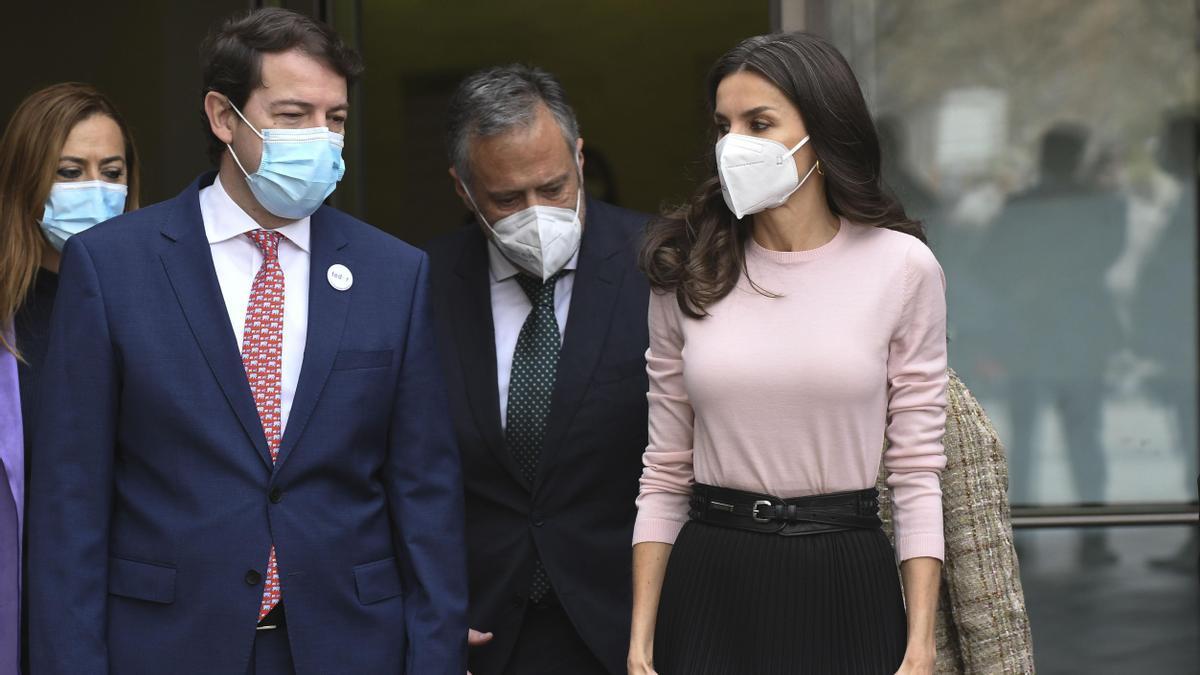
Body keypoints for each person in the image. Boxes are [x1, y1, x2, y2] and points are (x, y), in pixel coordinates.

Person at [26, 9, 466, 674]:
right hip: (168, 645)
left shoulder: (393, 273)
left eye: (336, 118)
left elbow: (426, 493)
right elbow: (71, 503)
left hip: (349, 644)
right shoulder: (113, 266)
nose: (320, 139)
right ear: (223, 116)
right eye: (293, 115)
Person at [630, 33, 947, 675]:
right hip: (713, 579)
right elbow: (664, 470)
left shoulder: (903, 268)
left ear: (823, 134)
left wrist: (919, 645)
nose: (733, 144)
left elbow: (916, 471)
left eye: (760, 122)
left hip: (845, 574)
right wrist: (640, 644)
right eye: (724, 125)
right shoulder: (686, 271)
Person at [425, 64, 651, 675]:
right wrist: (431, 609)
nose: (535, 212)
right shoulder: (420, 285)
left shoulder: (663, 266)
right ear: (463, 188)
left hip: (630, 631)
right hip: (481, 632)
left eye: (552, 187)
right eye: (506, 198)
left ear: (579, 158)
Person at [0, 81, 140, 673]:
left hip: (124, 610)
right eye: (70, 171)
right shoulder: (10, 312)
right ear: (27, 180)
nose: (96, 190)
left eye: (111, 171)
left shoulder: (150, 307)